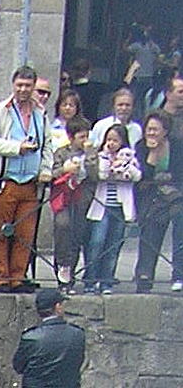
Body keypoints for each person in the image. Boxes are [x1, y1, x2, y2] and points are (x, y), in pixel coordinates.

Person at [0, 65, 52, 293]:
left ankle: (18, 277)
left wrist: (45, 168)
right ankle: (1, 277)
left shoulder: (40, 114)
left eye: (28, 86)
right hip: (5, 181)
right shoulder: (0, 111)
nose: (23, 89)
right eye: (19, 85)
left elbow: (47, 144)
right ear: (13, 85)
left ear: (33, 87)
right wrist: (16, 148)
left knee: (24, 234)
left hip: (30, 183)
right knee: (2, 231)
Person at [81, 122, 141, 292]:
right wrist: (108, 163)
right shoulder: (100, 157)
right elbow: (98, 174)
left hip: (120, 208)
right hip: (102, 205)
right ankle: (90, 280)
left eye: (116, 140)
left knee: (113, 245)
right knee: (96, 242)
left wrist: (124, 166)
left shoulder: (129, 156)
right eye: (109, 140)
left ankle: (106, 280)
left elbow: (137, 176)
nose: (112, 143)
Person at [134, 112, 182, 291]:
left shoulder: (177, 146)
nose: (151, 133)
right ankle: (144, 276)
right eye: (148, 129)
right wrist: (152, 154)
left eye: (155, 130)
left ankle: (179, 274)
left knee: (181, 227)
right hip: (151, 197)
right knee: (150, 231)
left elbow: (178, 173)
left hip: (175, 195)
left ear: (165, 131)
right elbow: (143, 177)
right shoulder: (141, 147)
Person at [49, 117, 95, 288]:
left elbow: (94, 174)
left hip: (82, 198)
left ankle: (70, 275)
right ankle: (62, 266)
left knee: (77, 234)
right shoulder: (61, 153)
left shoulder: (91, 152)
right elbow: (53, 172)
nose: (85, 140)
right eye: (81, 137)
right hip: (63, 197)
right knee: (63, 226)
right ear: (71, 137)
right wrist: (65, 170)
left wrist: (90, 154)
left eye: (86, 136)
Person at [88, 86, 143, 151]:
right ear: (114, 106)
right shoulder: (100, 125)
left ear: (133, 107)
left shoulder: (137, 129)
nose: (124, 108)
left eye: (127, 105)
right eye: (120, 105)